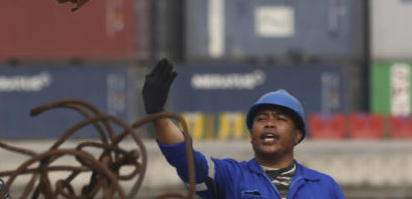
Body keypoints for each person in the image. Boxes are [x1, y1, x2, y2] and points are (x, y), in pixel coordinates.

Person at [142, 59, 345, 199]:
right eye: (261, 119)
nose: (269, 123)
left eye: (280, 119)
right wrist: (158, 115)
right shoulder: (230, 176)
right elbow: (186, 159)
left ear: (297, 135)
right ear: (251, 135)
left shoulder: (325, 187)